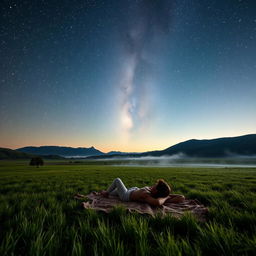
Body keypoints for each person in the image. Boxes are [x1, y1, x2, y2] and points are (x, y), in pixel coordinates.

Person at [100, 178, 185, 207]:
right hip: (130, 190)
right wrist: (167, 196)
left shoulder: (147, 195)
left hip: (125, 195)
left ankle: (106, 193)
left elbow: (157, 202)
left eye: (155, 185)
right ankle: (107, 193)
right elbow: (182, 197)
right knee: (112, 192)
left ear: (156, 190)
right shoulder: (154, 193)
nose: (154, 184)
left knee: (117, 180)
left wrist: (166, 197)